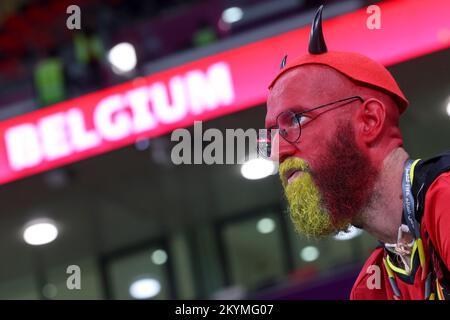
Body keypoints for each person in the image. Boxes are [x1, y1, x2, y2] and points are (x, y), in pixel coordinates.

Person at [263, 6, 450, 300]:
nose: (277, 151)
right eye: (272, 133)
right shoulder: (370, 286)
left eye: (296, 120)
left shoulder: (445, 198)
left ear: (370, 121)